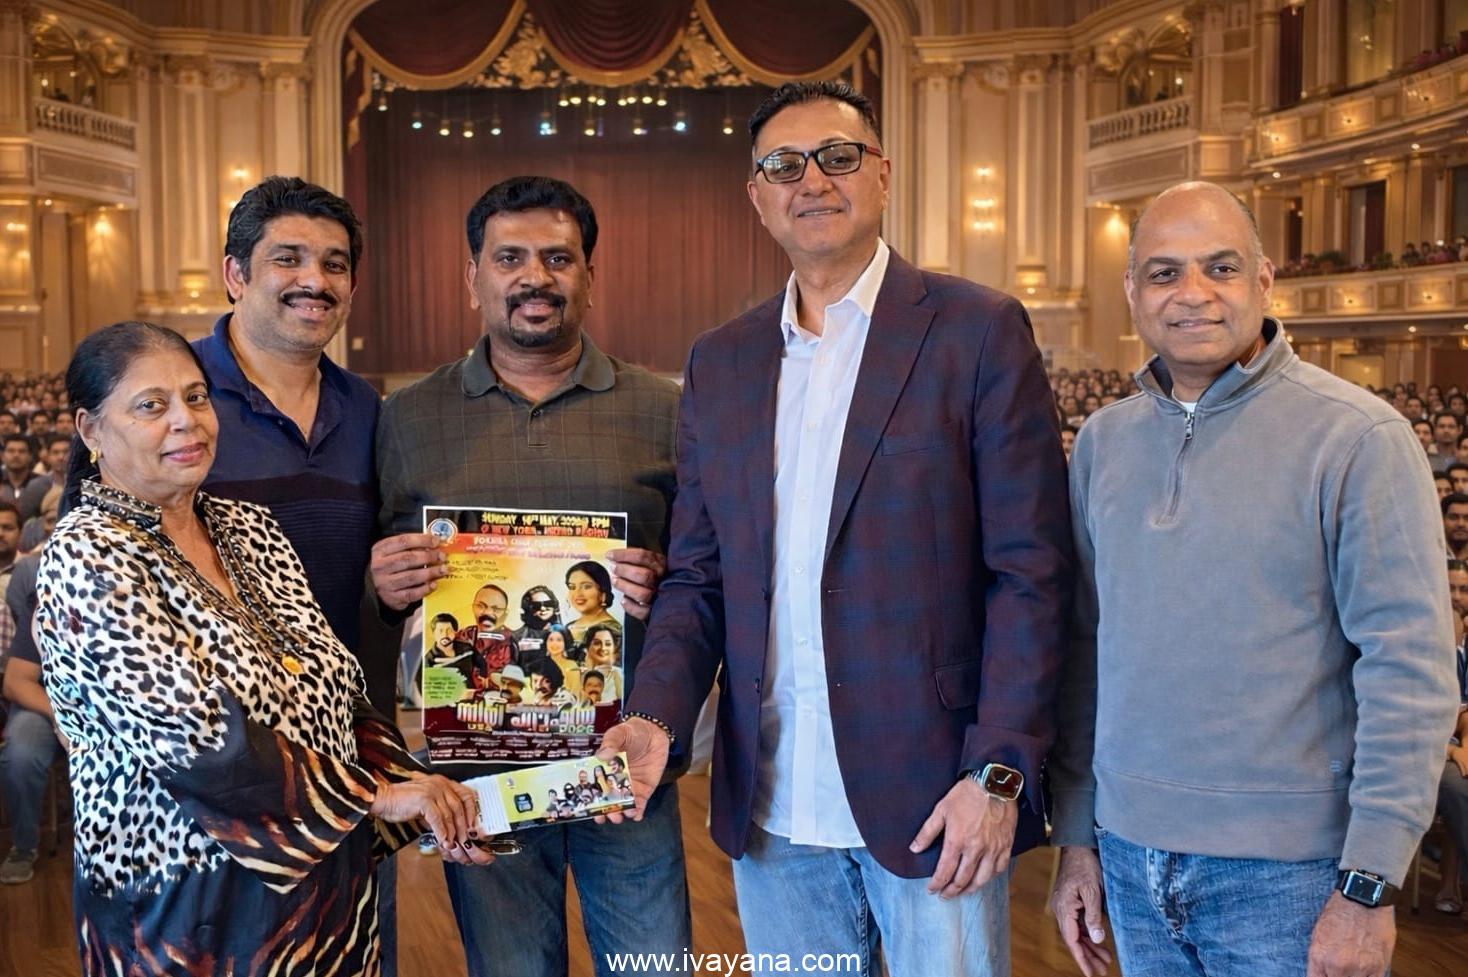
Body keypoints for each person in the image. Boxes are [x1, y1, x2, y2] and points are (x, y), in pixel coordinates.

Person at [601, 81, 1071, 977]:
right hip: (772, 807)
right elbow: (700, 575)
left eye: (838, 156)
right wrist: (655, 713)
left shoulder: (975, 331)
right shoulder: (720, 360)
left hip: (937, 798)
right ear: (757, 196)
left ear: (882, 175)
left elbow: (1030, 574)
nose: (812, 180)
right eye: (784, 165)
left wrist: (998, 773)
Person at [1048, 181, 1458, 977]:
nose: (1192, 292)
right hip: (1127, 857)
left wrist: (1368, 881)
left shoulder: (1358, 437)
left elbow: (1408, 672)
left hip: (1292, 877)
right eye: (1164, 272)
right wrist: (1076, 838)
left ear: (1264, 280)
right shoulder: (1102, 442)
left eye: (1221, 267)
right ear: (1132, 291)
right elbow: (1086, 652)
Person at [33, 321, 491, 975]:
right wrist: (372, 797)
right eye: (151, 405)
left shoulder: (247, 526)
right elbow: (195, 737)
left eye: (196, 397)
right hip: (188, 912)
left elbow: (335, 685)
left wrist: (413, 788)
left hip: (323, 896)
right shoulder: (87, 553)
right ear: (91, 430)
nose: (186, 420)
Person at [367, 175, 690, 977]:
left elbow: (706, 576)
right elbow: (375, 589)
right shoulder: (407, 417)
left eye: (558, 258)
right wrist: (384, 582)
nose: (534, 277)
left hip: (625, 764)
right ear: (471, 276)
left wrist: (666, 578)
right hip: (480, 774)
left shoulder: (664, 409)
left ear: (589, 276)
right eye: (509, 258)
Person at [193, 175, 409, 972]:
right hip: (214, 771)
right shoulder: (171, 397)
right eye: (288, 259)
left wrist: (393, 585)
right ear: (235, 273)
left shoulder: (371, 411)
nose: (315, 280)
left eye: (335, 264)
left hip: (349, 761)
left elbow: (378, 584)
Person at [1434, 558, 1468, 915]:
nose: (1456, 597)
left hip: (1457, 746)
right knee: (1459, 786)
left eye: (1464, 589)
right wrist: (1450, 750)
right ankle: (1450, 882)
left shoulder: (1463, 648)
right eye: (1449, 588)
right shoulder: (1413, 642)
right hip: (1424, 751)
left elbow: (1464, 707)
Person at [564, 559, 619, 645]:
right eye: (572, 587)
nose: (577, 593)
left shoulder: (612, 631)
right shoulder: (569, 626)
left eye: (586, 587)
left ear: (602, 592)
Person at [1, 434, 48, 522]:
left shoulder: (43, 485)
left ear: (30, 456)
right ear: (3, 456)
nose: (16, 455)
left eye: (22, 451)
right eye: (11, 451)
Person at [581, 624, 624, 703]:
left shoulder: (619, 674)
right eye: (597, 643)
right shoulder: (579, 676)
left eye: (608, 644)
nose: (603, 648)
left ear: (614, 647)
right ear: (587, 647)